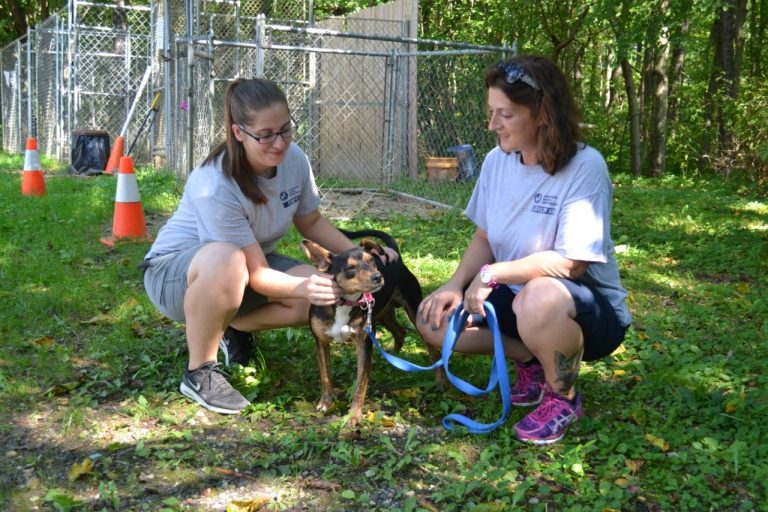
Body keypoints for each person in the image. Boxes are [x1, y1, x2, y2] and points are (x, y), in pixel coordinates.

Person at [142, 78, 395, 415]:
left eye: (286, 129)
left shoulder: (294, 160)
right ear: (238, 133)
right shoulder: (214, 185)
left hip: (241, 267)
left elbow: (311, 223)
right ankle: (199, 371)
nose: (279, 143)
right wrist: (306, 286)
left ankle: (228, 326)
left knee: (321, 293)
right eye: (266, 135)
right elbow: (256, 273)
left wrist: (361, 258)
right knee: (238, 263)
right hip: (176, 277)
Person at [416, 55, 631, 445]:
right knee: (433, 320)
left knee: (539, 295)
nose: (491, 125)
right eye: (491, 112)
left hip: (585, 311)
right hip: (517, 301)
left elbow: (571, 263)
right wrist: (453, 284)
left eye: (505, 114)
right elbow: (484, 237)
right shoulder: (496, 162)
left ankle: (563, 397)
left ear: (542, 113)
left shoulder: (585, 166)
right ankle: (530, 362)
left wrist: (492, 275)